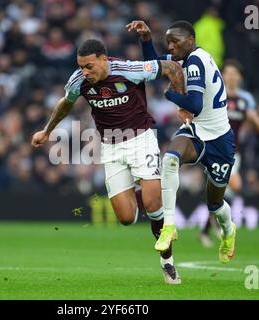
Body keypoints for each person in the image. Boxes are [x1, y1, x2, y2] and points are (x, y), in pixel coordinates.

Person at [31, 39, 185, 284]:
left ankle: (167, 262)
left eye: (89, 66)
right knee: (125, 219)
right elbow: (65, 103)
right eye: (81, 67)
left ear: (104, 60)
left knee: (154, 205)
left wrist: (183, 105)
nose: (85, 72)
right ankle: (142, 190)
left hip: (141, 139)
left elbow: (173, 69)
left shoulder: (129, 69)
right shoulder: (78, 81)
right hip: (110, 147)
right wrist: (46, 131)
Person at [127, 20, 237, 264]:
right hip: (197, 132)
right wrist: (146, 38)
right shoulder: (185, 57)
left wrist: (170, 95)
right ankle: (169, 226)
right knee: (170, 159)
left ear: (190, 41)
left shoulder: (196, 61)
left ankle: (229, 232)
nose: (171, 48)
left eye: (175, 43)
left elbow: (195, 105)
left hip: (219, 139)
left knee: (215, 205)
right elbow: (156, 65)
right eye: (169, 43)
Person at [199, 59, 259, 247]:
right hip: (215, 149)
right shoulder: (215, 95)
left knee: (221, 192)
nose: (232, 76)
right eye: (228, 73)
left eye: (235, 73)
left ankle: (207, 230)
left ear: (240, 77)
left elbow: (257, 126)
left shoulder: (245, 100)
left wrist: (254, 120)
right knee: (233, 186)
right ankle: (219, 227)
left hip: (235, 152)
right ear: (222, 75)